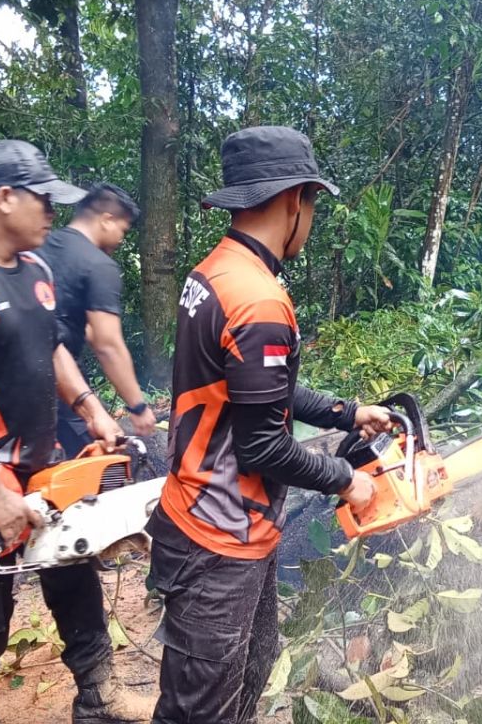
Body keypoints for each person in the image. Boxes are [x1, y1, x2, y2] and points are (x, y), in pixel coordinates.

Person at [0, 140, 155, 724]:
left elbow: (53, 349)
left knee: (75, 572)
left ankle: (98, 698)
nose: (51, 212)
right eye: (42, 200)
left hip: (45, 458)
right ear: (5, 198)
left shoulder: (36, 268)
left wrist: (91, 407)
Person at [145, 126, 388, 724]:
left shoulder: (217, 273)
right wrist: (343, 479)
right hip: (217, 535)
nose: (310, 217)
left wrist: (345, 412)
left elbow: (255, 395)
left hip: (219, 520)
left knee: (255, 664)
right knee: (198, 708)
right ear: (293, 200)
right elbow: (261, 445)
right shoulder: (258, 300)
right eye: (311, 204)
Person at [38, 182, 157, 458]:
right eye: (122, 231)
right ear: (107, 220)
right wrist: (137, 406)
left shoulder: (44, 245)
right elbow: (107, 344)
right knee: (98, 464)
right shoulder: (98, 265)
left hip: (27, 381)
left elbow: (86, 329)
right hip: (61, 386)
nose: (121, 239)